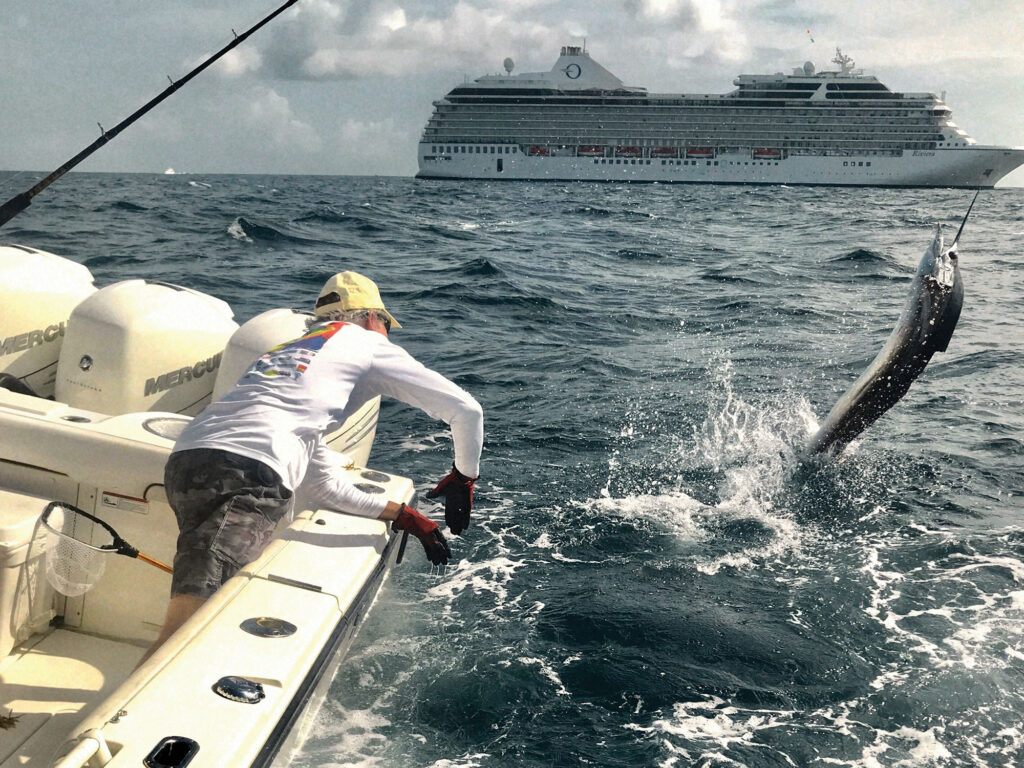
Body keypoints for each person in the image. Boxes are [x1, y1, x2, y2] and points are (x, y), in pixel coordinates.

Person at [141, 271, 483, 663]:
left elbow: (320, 487)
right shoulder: (368, 342)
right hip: (247, 474)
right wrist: (464, 477)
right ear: (371, 318)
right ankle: (121, 721)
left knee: (205, 608)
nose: (387, 333)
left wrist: (402, 515)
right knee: (187, 631)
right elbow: (467, 410)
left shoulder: (292, 356)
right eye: (387, 323)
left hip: (189, 459)